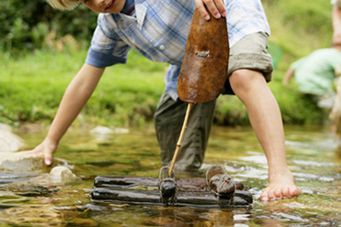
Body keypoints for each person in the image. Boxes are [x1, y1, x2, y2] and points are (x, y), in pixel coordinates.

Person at [30, 0, 301, 201]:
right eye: (87, 1)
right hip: (194, 62)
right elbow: (85, 80)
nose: (100, 2)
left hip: (233, 18)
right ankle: (217, 179)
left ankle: (280, 174)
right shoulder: (112, 26)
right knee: (178, 169)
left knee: (243, 76)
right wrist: (50, 141)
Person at [283, 46, 341, 131]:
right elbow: (339, 72)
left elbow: (293, 66)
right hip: (317, 87)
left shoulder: (320, 52)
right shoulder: (337, 55)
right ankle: (331, 131)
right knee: (336, 108)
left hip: (302, 85)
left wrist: (285, 83)